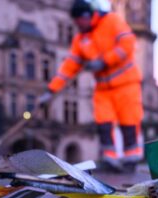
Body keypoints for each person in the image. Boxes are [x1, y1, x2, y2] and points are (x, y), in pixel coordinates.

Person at [38, 0, 144, 172]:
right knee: (103, 125)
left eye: (78, 21)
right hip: (103, 89)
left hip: (126, 84)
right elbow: (68, 69)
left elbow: (128, 44)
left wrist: (104, 61)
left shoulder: (111, 21)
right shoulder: (80, 40)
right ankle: (110, 161)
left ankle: (131, 160)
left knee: (129, 123)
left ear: (87, 16)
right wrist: (51, 91)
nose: (77, 25)